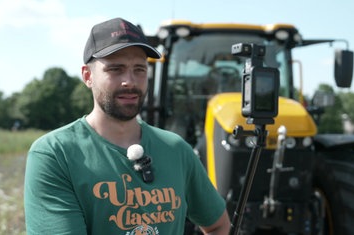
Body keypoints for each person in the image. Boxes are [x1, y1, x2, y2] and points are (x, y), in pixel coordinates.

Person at [24, 17, 230, 235]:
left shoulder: (177, 150)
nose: (130, 81)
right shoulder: (56, 154)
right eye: (116, 69)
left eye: (139, 69)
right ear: (88, 76)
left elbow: (218, 225)